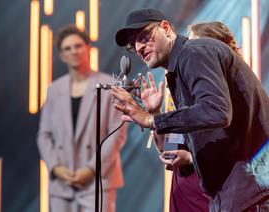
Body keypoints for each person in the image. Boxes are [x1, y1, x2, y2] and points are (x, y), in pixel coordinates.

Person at [112, 8, 269, 212]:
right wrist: (156, 114)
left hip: (250, 194)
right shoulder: (179, 72)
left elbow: (216, 111)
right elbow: (173, 148)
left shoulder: (193, 53)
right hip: (235, 195)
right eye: (133, 45)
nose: (140, 48)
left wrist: (151, 120)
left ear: (166, 28)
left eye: (144, 36)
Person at [37, 25, 127, 212]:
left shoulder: (108, 86)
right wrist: (55, 167)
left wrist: (90, 169)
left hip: (98, 180)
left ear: (88, 47)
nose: (73, 51)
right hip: (62, 182)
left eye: (78, 46)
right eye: (67, 48)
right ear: (61, 55)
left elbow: (117, 134)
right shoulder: (54, 89)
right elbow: (44, 135)